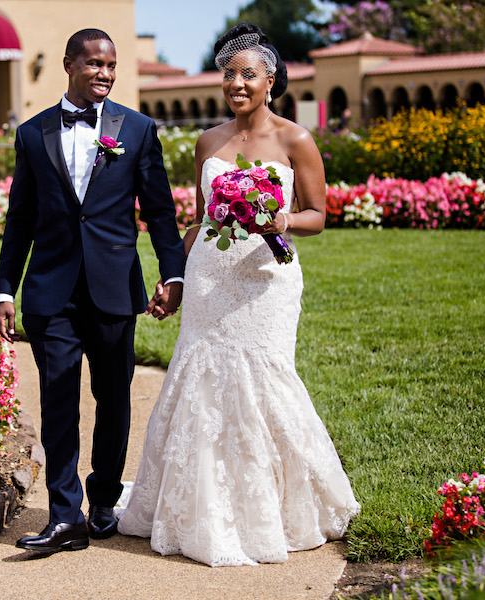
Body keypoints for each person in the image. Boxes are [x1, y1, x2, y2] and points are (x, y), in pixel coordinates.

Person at [117, 22, 360, 566]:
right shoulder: (209, 142)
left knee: (265, 376)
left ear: (271, 81)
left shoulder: (296, 139)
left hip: (266, 280)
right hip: (209, 278)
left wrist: (278, 219)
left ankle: (272, 509)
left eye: (248, 74)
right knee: (200, 379)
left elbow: (319, 215)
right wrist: (175, 281)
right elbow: (200, 222)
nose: (237, 83)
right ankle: (197, 508)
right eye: (229, 74)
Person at [0, 28, 186, 554]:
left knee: (113, 396)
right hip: (50, 293)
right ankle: (64, 515)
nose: (105, 73)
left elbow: (161, 212)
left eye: (112, 65)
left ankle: (102, 497)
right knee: (57, 398)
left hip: (113, 288)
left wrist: (173, 276)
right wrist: (5, 288)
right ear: (69, 64)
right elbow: (21, 218)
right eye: (95, 63)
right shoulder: (33, 134)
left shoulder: (139, 129)